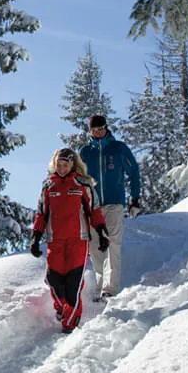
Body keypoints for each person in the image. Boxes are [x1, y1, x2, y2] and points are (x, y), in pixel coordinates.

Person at [29, 148, 109, 334]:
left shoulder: (83, 185)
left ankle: (70, 324)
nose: (62, 168)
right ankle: (62, 308)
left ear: (73, 165)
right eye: (59, 165)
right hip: (55, 241)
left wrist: (102, 232)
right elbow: (41, 214)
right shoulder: (48, 186)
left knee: (73, 284)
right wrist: (35, 237)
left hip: (78, 241)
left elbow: (95, 211)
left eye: (65, 165)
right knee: (54, 280)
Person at [79, 114, 142, 301]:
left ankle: (110, 289)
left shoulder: (119, 148)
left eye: (101, 129)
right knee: (95, 247)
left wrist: (135, 199)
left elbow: (133, 172)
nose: (98, 132)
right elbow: (78, 180)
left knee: (113, 243)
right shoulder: (84, 153)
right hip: (93, 206)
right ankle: (100, 287)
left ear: (106, 128)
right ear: (90, 131)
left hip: (114, 203)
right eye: (94, 130)